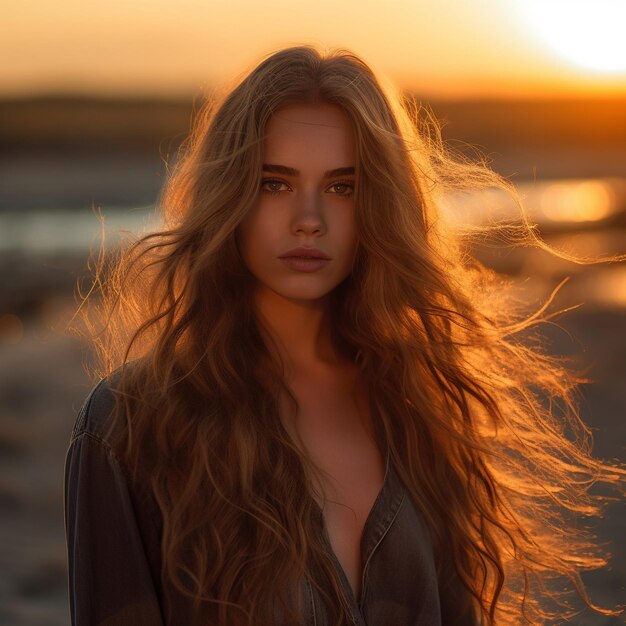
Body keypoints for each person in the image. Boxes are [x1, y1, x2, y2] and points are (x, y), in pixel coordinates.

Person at [64, 46, 624, 626]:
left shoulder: (422, 407)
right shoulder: (129, 425)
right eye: (275, 184)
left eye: (342, 187)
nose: (310, 218)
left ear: (378, 204)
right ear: (229, 195)